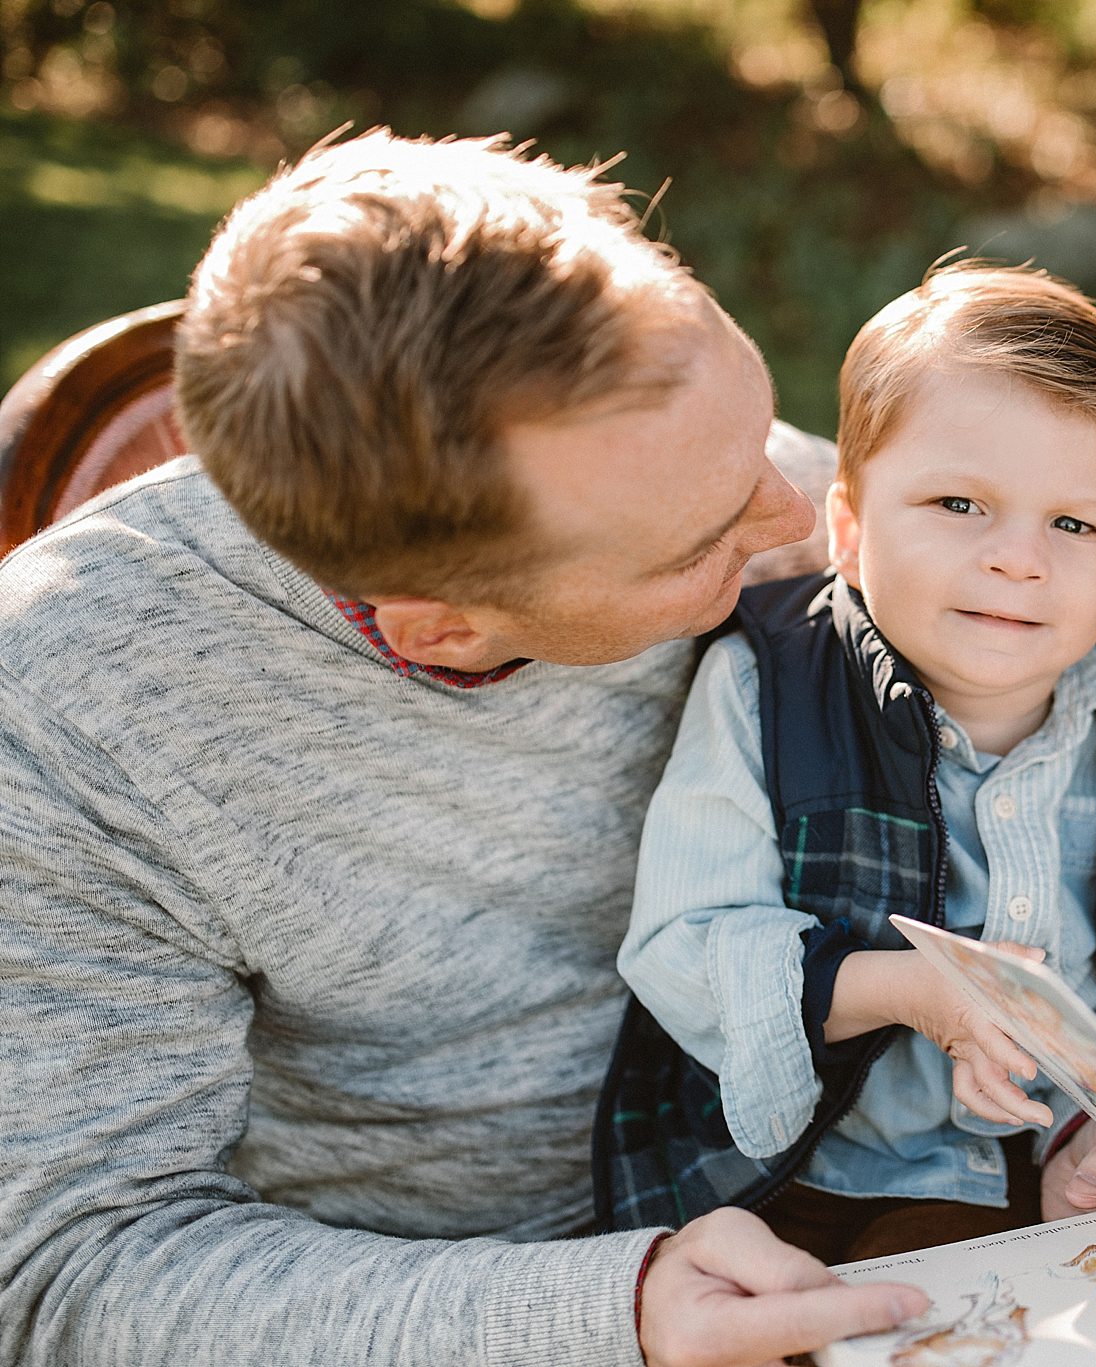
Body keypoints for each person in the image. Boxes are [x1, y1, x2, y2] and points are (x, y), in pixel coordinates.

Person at [0, 129, 930, 1367]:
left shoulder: (672, 465)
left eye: (759, 430)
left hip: (868, 1181)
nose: (796, 514)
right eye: (702, 543)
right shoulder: (70, 713)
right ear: (443, 628)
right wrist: (608, 1311)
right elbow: (70, 1268)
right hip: (460, 1305)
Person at [597, 263, 1096, 1262]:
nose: (1019, 558)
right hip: (816, 1175)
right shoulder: (767, 686)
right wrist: (907, 988)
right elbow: (685, 941)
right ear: (848, 528)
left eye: (1074, 524)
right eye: (959, 503)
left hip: (1059, 1171)